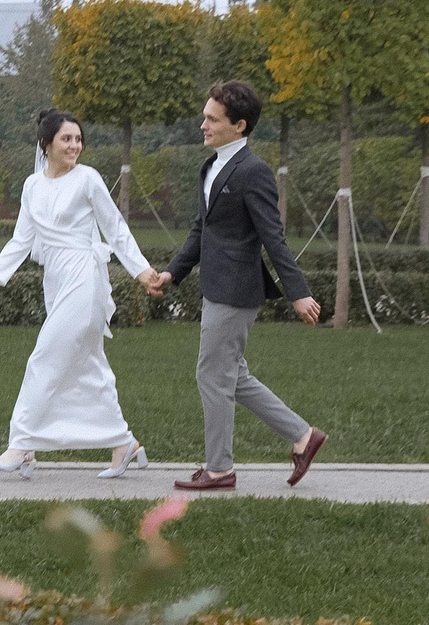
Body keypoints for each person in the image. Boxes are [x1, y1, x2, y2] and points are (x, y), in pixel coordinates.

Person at [140, 80, 327, 492]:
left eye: (212, 119)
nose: (203, 125)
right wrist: (173, 272)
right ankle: (303, 436)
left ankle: (220, 470)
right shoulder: (210, 167)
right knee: (231, 375)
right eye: (204, 117)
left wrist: (298, 293)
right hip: (215, 286)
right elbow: (201, 229)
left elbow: (273, 236)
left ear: (239, 125)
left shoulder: (253, 172)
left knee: (212, 374)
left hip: (236, 289)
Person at [0, 108, 153, 478]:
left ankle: (21, 444)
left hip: (85, 278)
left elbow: (115, 228)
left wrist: (142, 271)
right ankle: (124, 443)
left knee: (44, 358)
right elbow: (22, 239)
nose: (74, 145)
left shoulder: (88, 179)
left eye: (78, 139)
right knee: (89, 366)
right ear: (46, 144)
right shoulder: (32, 186)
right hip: (55, 280)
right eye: (66, 139)